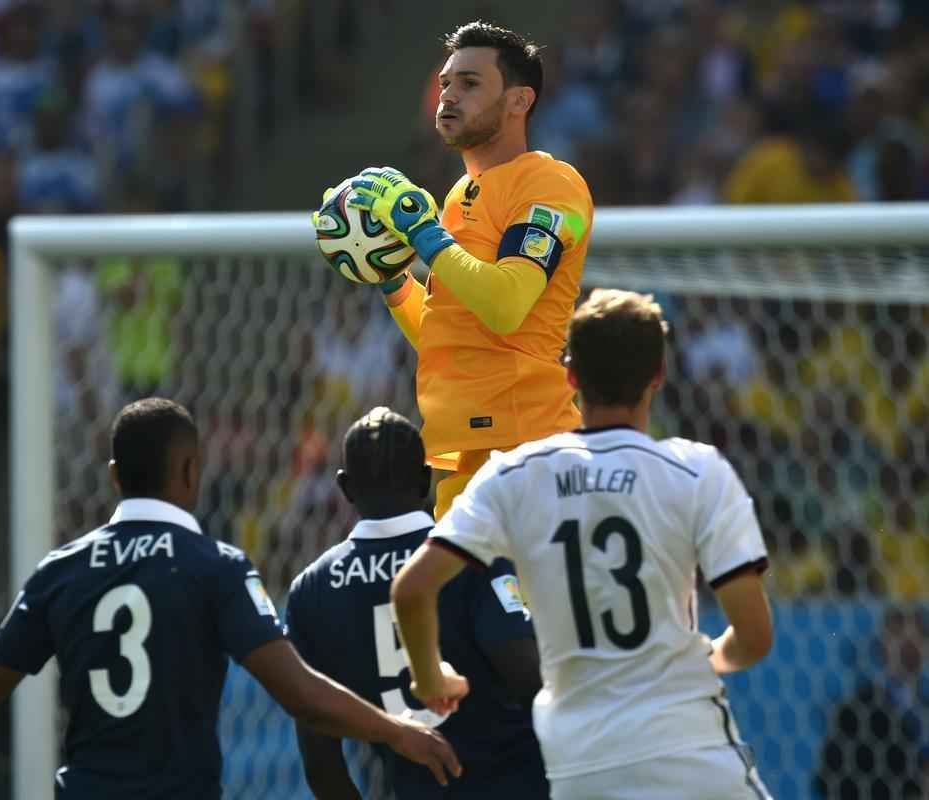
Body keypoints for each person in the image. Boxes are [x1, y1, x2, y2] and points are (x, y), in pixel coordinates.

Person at [0, 397, 460, 800]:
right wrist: (394, 731)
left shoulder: (60, 572)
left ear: (114, 476)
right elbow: (300, 695)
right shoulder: (214, 567)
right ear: (191, 472)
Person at [390, 289, 775, 799]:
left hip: (581, 762)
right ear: (658, 375)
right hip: (687, 747)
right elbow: (754, 636)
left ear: (569, 375)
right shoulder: (697, 471)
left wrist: (430, 680)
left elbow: (412, 591)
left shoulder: (513, 475)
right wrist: (707, 658)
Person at [339, 21, 594, 519]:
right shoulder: (459, 196)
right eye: (446, 83)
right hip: (471, 459)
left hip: (529, 451)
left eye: (470, 84)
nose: (449, 95)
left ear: (519, 101)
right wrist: (392, 282)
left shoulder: (549, 184)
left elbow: (504, 305)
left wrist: (425, 236)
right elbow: (451, 330)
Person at [285, 406, 548, 799]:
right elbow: (526, 675)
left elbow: (323, 767)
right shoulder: (467, 553)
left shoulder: (312, 590)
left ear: (346, 488)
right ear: (427, 478)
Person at [814, 606, 928, 800]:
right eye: (897, 634)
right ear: (883, 644)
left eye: (918, 636)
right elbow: (828, 780)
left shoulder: (923, 705)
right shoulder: (855, 711)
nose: (908, 645)